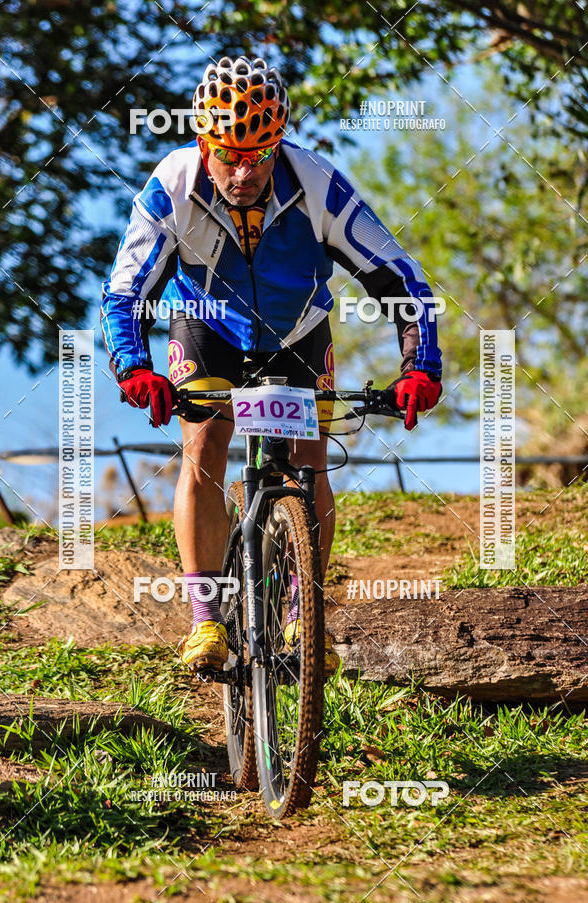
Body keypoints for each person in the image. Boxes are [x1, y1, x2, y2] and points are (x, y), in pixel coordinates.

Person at [101, 55, 442, 674]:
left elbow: (400, 278)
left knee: (310, 462)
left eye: (259, 155)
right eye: (229, 155)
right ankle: (206, 618)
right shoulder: (173, 183)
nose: (244, 172)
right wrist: (134, 367)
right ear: (203, 142)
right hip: (207, 328)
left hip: (298, 334)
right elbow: (124, 291)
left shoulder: (317, 183)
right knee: (205, 445)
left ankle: (302, 613)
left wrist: (421, 364)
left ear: (278, 142)